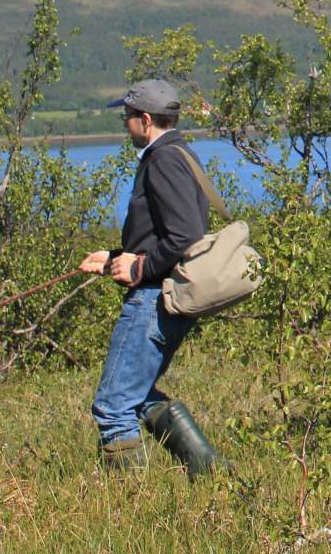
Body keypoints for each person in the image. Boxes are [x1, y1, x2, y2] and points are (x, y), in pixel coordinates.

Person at [78, 78, 221, 476]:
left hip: (153, 298)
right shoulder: (178, 153)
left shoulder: (164, 159)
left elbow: (185, 234)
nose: (125, 124)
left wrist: (140, 267)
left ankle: (127, 508)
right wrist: (112, 258)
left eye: (126, 117)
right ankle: (208, 471)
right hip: (160, 292)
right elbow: (161, 234)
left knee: (113, 406)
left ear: (145, 119)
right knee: (137, 397)